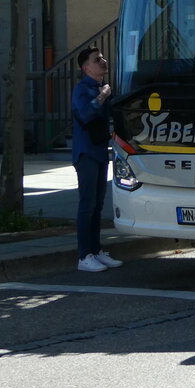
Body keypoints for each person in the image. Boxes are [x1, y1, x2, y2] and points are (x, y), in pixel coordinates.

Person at [71, 46, 122, 272]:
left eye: (103, 57)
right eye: (97, 59)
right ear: (86, 67)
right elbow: (85, 114)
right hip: (86, 153)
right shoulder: (82, 89)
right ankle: (84, 256)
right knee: (87, 204)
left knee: (98, 204)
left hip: (100, 152)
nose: (103, 61)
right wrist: (102, 97)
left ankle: (96, 250)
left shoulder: (103, 88)